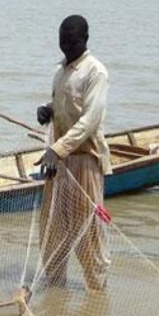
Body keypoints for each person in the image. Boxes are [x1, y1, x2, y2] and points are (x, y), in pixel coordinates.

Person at [35, 14, 111, 291]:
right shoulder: (61, 71)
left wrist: (58, 149)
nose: (66, 47)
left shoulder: (95, 72)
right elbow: (63, 106)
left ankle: (97, 290)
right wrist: (47, 110)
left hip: (84, 160)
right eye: (62, 41)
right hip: (58, 162)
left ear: (85, 40)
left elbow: (89, 120)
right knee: (53, 227)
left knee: (87, 231)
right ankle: (56, 289)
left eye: (72, 42)